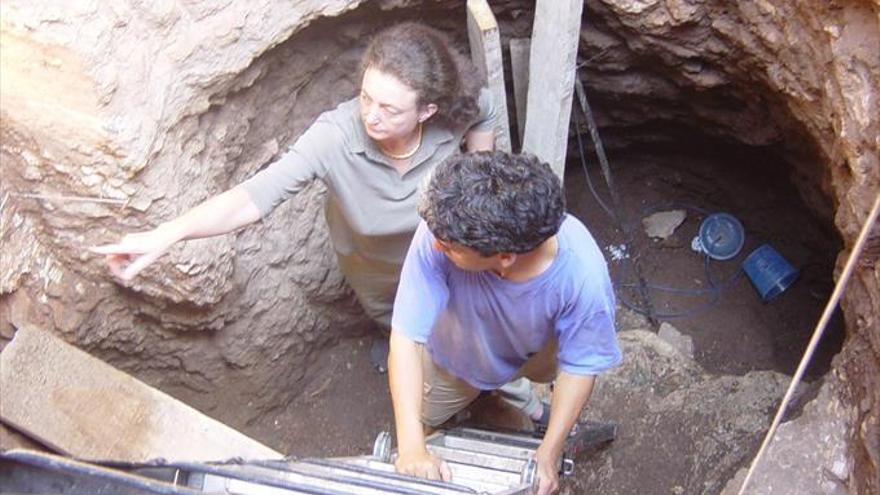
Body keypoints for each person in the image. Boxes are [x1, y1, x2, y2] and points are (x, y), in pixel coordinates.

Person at [91, 22, 497, 371]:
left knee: (453, 317)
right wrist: (168, 234)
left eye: (389, 109)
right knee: (390, 316)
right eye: (366, 97)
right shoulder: (334, 136)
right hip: (372, 263)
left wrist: (480, 171)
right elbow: (252, 197)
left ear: (426, 112)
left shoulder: (450, 116)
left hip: (441, 254)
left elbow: (486, 108)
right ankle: (396, 342)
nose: (371, 115)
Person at [388, 151, 622, 495]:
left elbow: (580, 366)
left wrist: (549, 452)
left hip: (537, 347)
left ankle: (527, 405)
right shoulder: (443, 227)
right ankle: (497, 399)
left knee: (551, 371)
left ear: (505, 257)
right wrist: (411, 448)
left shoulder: (582, 276)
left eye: (450, 247)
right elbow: (407, 338)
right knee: (426, 413)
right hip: (456, 355)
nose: (435, 243)